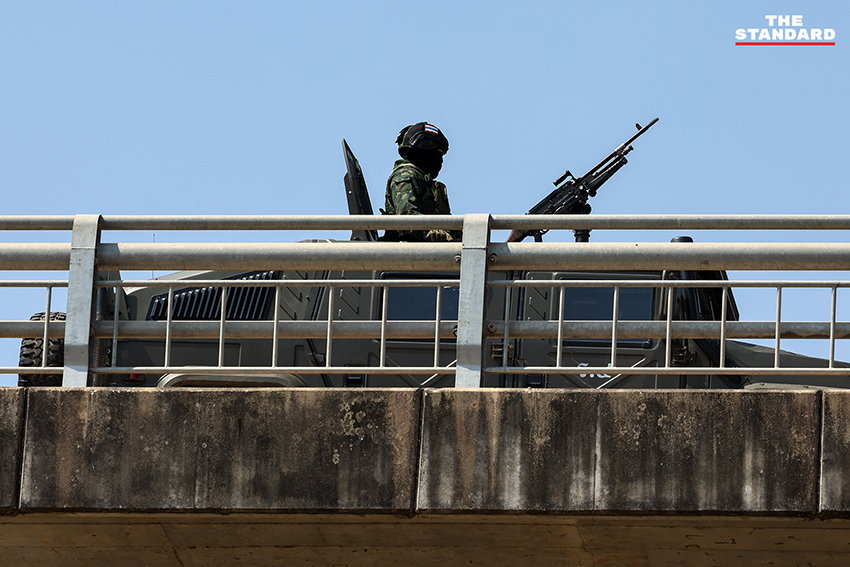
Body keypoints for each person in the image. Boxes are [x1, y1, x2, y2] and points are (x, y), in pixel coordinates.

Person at [382, 122, 459, 242]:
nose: (441, 160)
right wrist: (434, 234)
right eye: (438, 153)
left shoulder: (422, 179)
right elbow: (407, 218)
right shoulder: (406, 176)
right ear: (425, 151)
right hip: (409, 251)